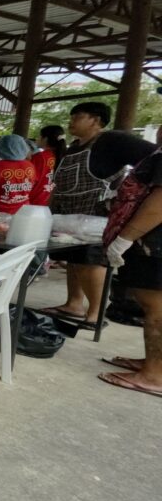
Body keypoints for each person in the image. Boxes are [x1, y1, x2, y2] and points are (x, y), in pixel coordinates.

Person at [41, 102, 157, 327]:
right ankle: (74, 303)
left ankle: (95, 314)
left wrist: (133, 191)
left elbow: (153, 157)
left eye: (77, 117)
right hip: (69, 214)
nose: (71, 121)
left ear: (95, 120)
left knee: (91, 262)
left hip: (97, 216)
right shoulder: (74, 147)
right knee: (74, 259)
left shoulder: (112, 140)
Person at [100, 125, 162, 398]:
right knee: (153, 307)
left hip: (153, 244)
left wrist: (126, 238)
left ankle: (154, 375)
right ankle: (154, 363)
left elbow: (159, 202)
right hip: (149, 242)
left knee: (156, 309)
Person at [30, 125, 64, 206]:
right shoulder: (63, 156)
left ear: (45, 139)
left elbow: (29, 179)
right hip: (51, 201)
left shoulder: (39, 157)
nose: (37, 139)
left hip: (34, 201)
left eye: (39, 136)